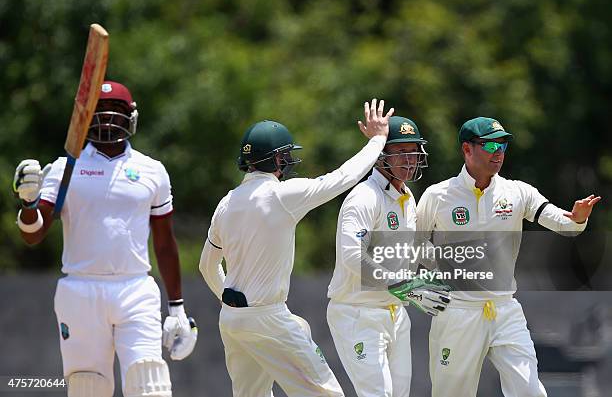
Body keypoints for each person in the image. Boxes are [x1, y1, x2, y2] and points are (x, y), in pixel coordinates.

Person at [12, 80, 197, 397]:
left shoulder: (152, 170)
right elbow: (34, 234)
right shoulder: (64, 168)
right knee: (88, 387)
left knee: (150, 386)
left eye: (117, 111)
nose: (109, 117)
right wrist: (29, 204)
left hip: (136, 289)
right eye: (101, 111)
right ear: (86, 118)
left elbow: (165, 242)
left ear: (131, 117)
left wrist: (177, 308)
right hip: (80, 289)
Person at [199, 99, 393, 397]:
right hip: (269, 318)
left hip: (232, 320)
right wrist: (378, 139)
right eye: (286, 155)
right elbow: (345, 177)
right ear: (277, 160)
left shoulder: (226, 203)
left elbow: (207, 266)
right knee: (328, 394)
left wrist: (232, 301)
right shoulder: (282, 195)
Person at [416, 117, 601, 397]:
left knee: (529, 391)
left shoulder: (517, 192)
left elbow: (560, 220)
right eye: (490, 144)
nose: (498, 152)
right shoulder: (437, 195)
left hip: (504, 309)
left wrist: (576, 218)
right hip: (458, 312)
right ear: (467, 149)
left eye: (502, 144)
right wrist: (419, 283)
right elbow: (411, 248)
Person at [327, 115, 450, 397]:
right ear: (382, 155)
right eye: (401, 152)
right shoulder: (365, 197)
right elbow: (351, 254)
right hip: (358, 313)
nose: (410, 160)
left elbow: (414, 248)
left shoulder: (406, 197)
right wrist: (402, 284)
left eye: (414, 152)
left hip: (396, 314)